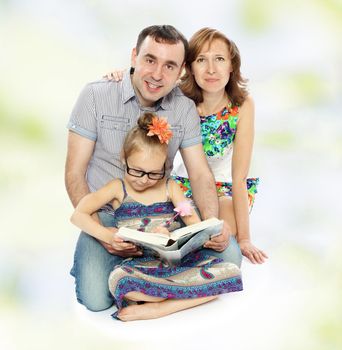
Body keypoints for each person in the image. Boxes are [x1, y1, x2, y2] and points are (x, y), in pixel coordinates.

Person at [65, 25, 242, 312]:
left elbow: (199, 174)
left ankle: (154, 294)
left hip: (162, 219)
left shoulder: (183, 108)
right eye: (150, 60)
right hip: (109, 218)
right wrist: (102, 234)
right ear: (134, 56)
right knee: (95, 301)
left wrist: (209, 225)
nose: (158, 74)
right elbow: (74, 173)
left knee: (230, 257)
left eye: (169, 65)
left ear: (181, 70)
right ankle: (152, 277)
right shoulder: (96, 95)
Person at [107, 28, 267, 264]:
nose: (211, 69)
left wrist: (245, 238)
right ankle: (153, 275)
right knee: (165, 233)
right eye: (201, 60)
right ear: (190, 67)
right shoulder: (179, 98)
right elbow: (149, 83)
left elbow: (239, 177)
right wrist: (123, 76)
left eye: (219, 59)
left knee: (218, 238)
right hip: (182, 184)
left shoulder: (242, 105)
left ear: (232, 66)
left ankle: (182, 281)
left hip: (226, 189)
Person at [71, 113, 242, 321]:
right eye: (137, 171)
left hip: (171, 264)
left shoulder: (171, 187)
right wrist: (107, 236)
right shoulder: (117, 188)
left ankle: (161, 308)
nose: (144, 180)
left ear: (164, 166)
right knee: (119, 280)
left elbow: (193, 224)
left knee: (229, 272)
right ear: (124, 158)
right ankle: (176, 296)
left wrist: (173, 234)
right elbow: (78, 214)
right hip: (139, 266)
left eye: (154, 173)